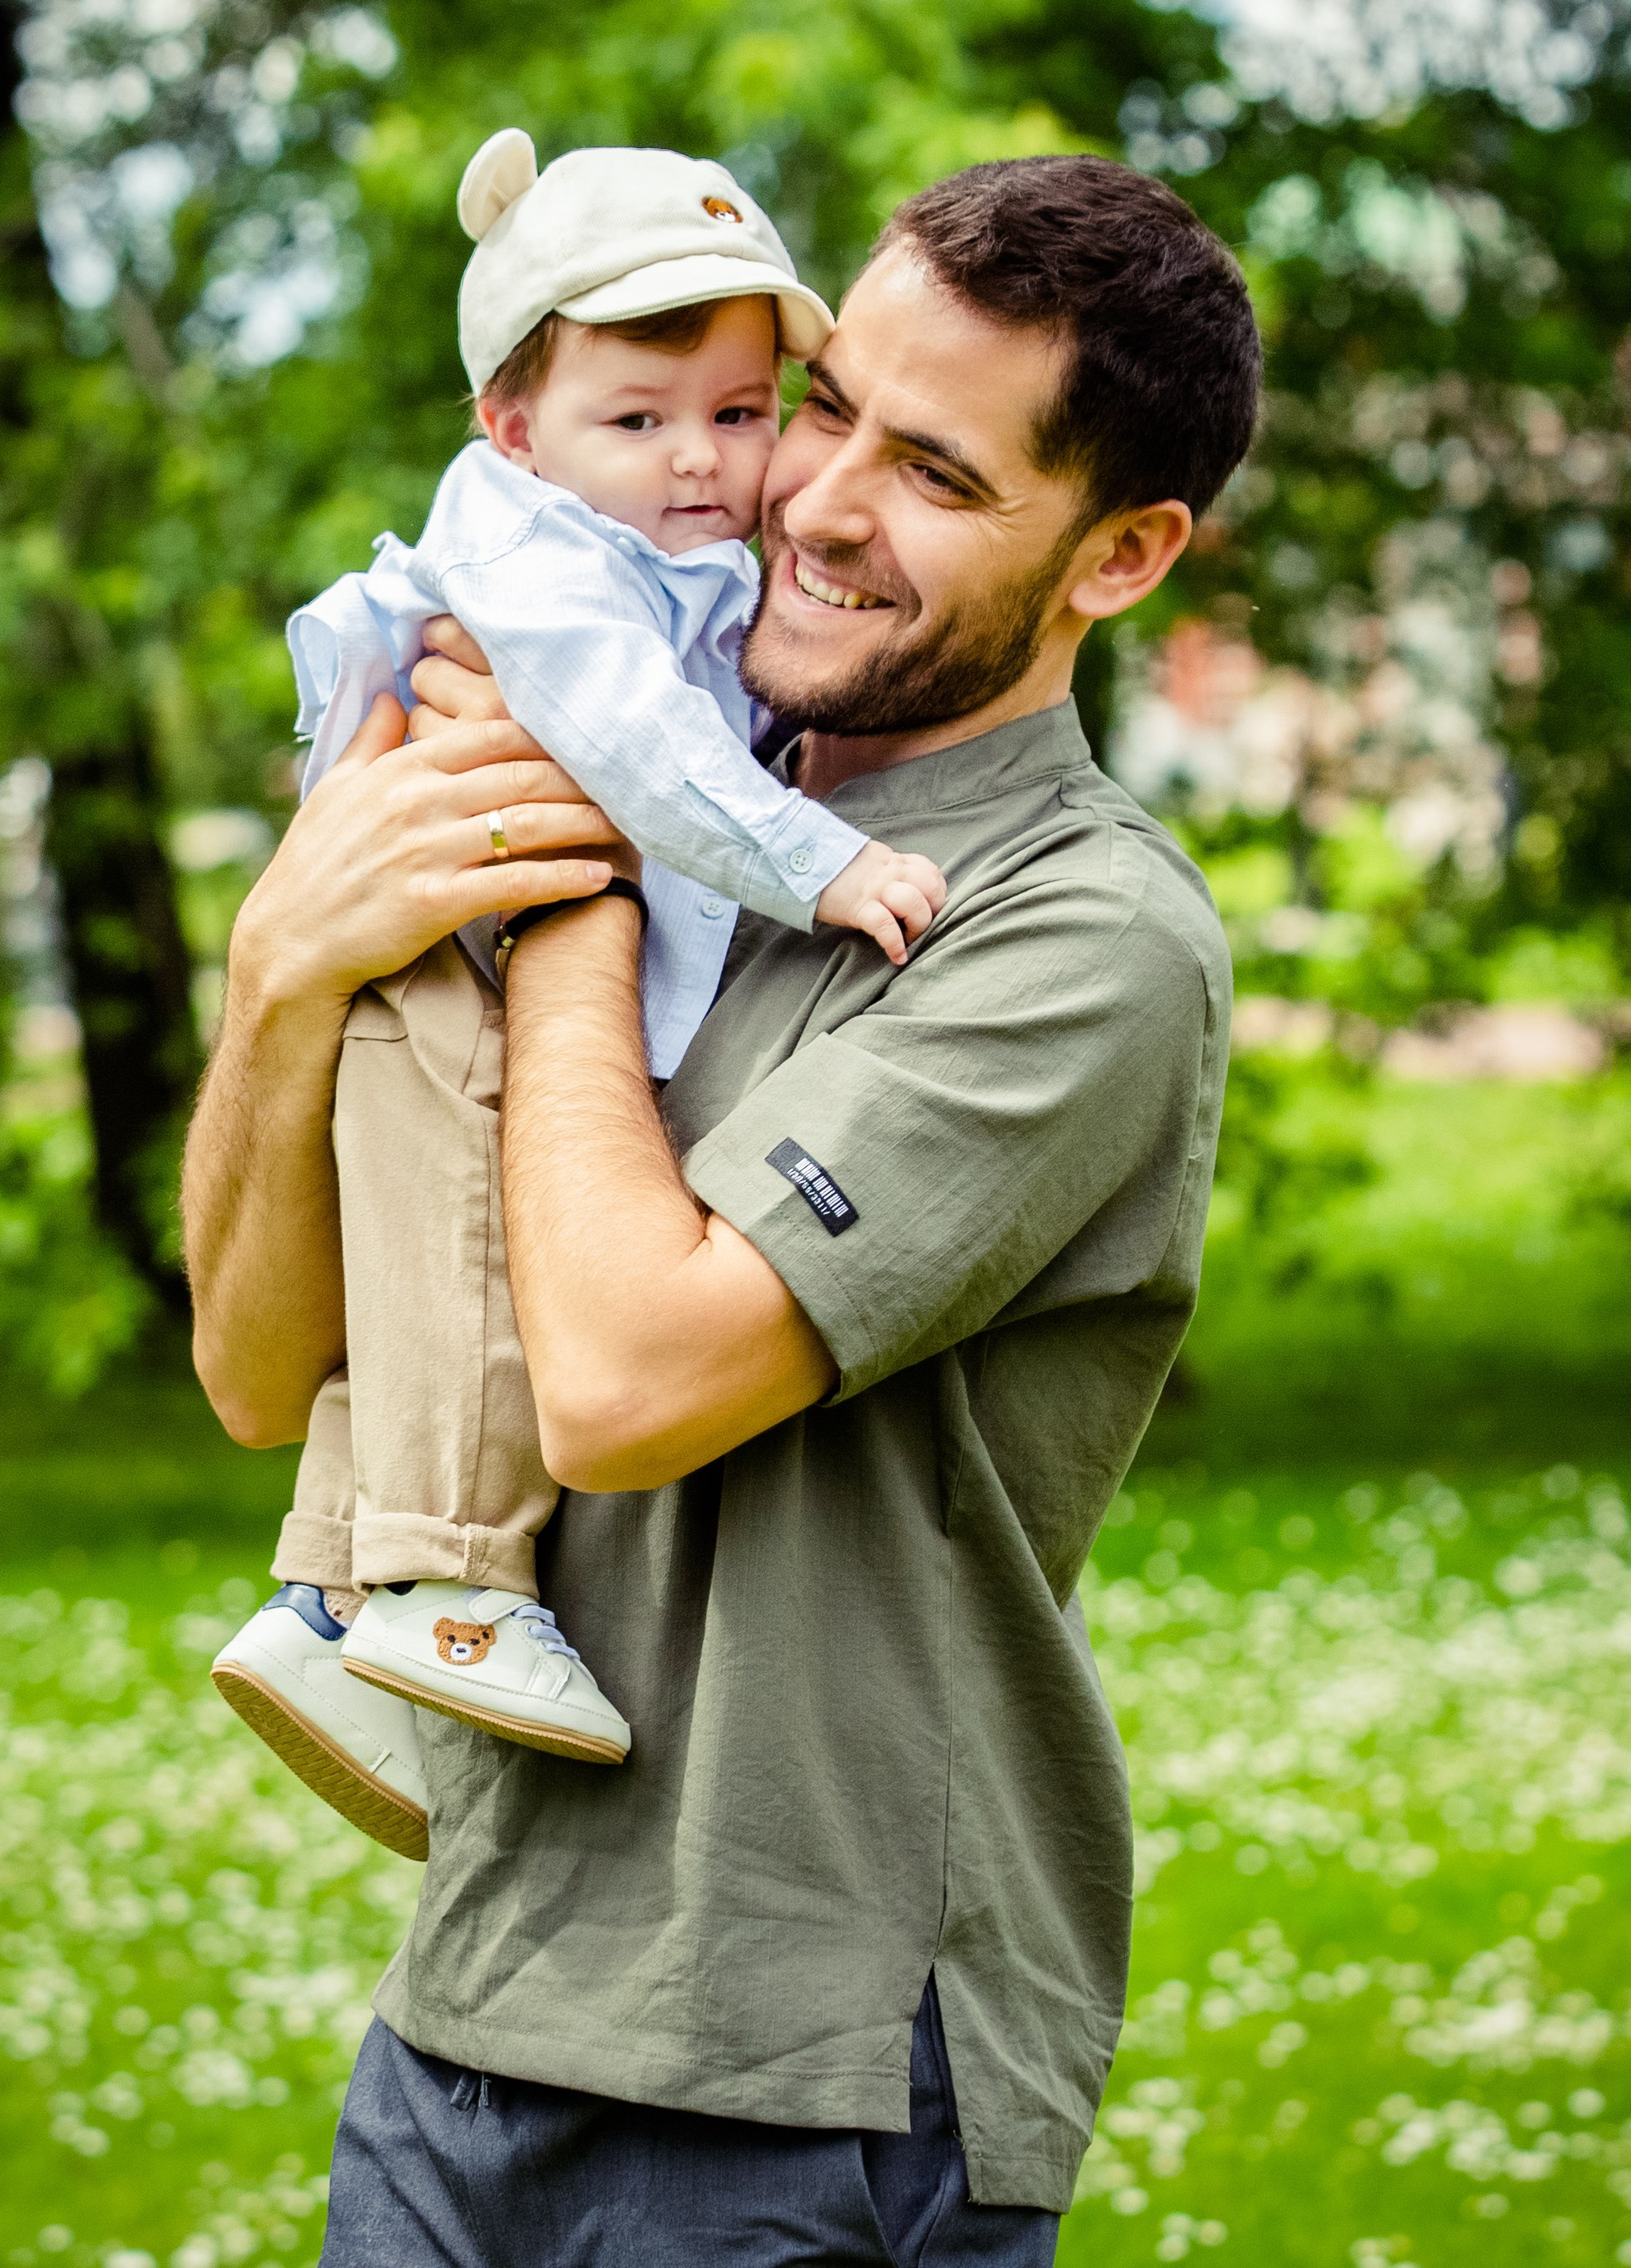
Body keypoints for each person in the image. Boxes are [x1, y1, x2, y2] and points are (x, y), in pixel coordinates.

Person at [184, 151, 1261, 2265]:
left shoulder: (1076, 935)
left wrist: (578, 882)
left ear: (1122, 555)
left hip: (807, 2072)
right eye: (823, 406)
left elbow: (618, 1384)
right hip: (468, 2011)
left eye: (934, 472)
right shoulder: (689, 781)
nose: (814, 499)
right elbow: (254, 1372)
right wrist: (281, 974)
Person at [208, 132, 945, 1843]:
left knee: (429, 1258)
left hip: (448, 934)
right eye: (640, 417)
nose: (700, 458)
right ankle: (460, 1587)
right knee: (479, 1230)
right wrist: (825, 864)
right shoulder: (542, 566)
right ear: (515, 427)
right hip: (450, 953)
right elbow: (636, 754)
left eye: (742, 411)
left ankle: (329, 1591)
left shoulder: (629, 542)